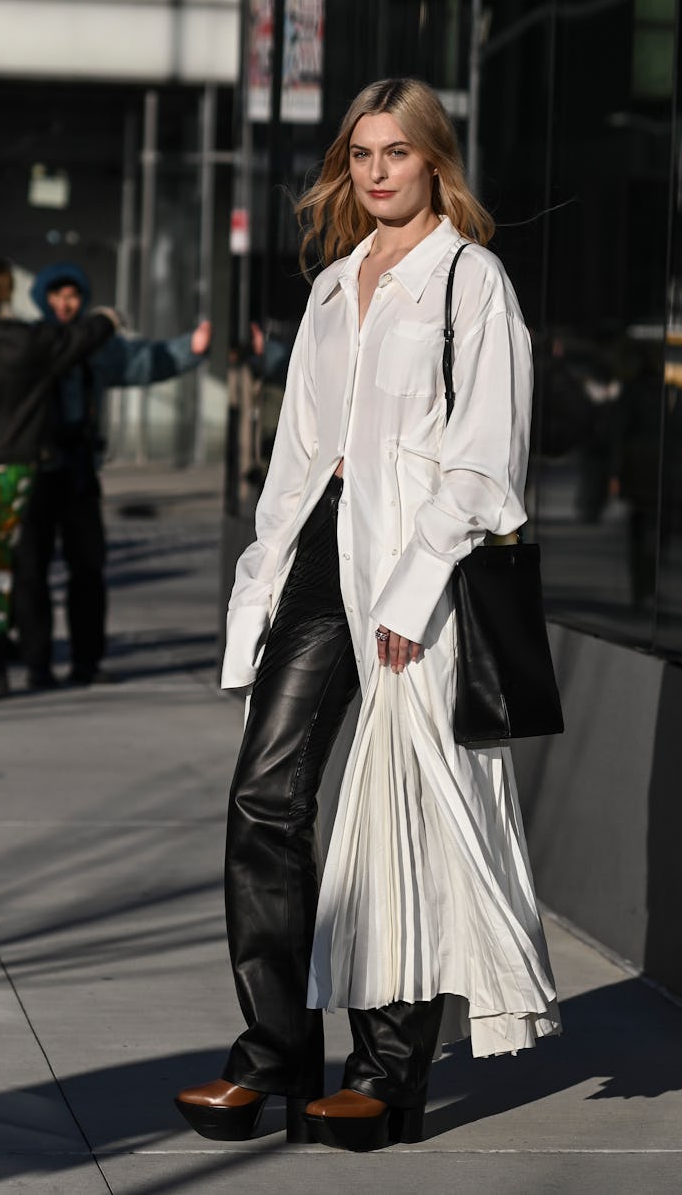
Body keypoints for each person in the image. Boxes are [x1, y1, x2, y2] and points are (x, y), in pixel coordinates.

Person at [175, 78, 559, 1152]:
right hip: (318, 556)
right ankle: (274, 1052)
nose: (377, 170)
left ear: (436, 160)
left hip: (413, 570)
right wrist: (262, 575)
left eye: (397, 151)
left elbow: (489, 457)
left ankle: (386, 1074)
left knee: (405, 809)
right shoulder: (336, 285)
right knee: (265, 796)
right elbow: (298, 454)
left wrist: (416, 581)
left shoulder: (469, 281)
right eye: (362, 154)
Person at [14, 263, 211, 688]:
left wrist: (191, 349)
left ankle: (86, 661)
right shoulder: (31, 341)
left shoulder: (97, 346)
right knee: (30, 569)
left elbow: (144, 361)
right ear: (42, 299)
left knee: (88, 568)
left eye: (71, 296)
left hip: (80, 471)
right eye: (56, 296)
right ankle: (37, 664)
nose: (64, 304)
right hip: (33, 473)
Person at [0, 259, 118, 700]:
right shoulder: (32, 340)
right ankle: (0, 664)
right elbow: (84, 337)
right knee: (5, 565)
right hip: (17, 467)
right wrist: (110, 318)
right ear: (10, 294)